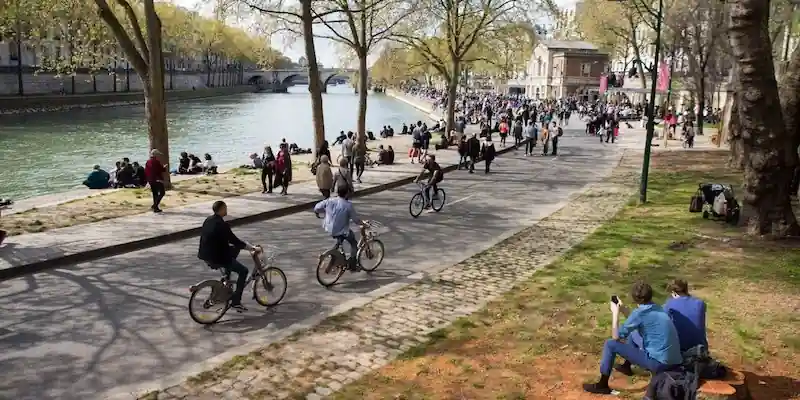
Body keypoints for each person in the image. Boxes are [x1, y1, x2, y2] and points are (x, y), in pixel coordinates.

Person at [583, 281, 683, 395]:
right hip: (675, 361)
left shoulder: (639, 314)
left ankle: (602, 384)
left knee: (610, 344)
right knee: (633, 332)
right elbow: (636, 320)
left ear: (634, 298)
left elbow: (616, 336)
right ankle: (626, 366)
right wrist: (623, 308)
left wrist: (615, 313)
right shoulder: (658, 308)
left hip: (658, 363)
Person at [197, 200, 260, 312]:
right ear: (221, 210)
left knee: (234, 249)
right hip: (217, 257)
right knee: (243, 271)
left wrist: (239, 245)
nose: (226, 210)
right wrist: (252, 248)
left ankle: (227, 276)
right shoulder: (222, 225)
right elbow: (234, 240)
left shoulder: (208, 220)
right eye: (225, 208)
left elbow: (221, 239)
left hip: (205, 254)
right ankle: (236, 302)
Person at [313, 185, 364, 270]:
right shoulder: (348, 205)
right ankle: (353, 265)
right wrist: (363, 223)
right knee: (353, 243)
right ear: (347, 194)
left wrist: (319, 213)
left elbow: (317, 208)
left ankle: (333, 255)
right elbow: (356, 220)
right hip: (341, 231)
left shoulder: (330, 200)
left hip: (328, 228)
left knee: (338, 242)